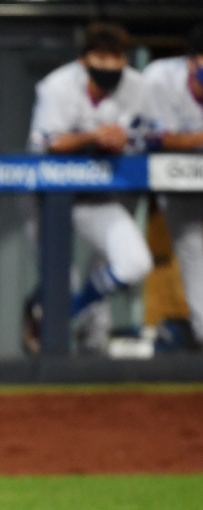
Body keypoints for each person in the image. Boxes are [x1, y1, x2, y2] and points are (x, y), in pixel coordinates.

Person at [27, 21, 158, 353]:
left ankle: (70, 312)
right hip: (48, 195)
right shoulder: (56, 86)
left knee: (135, 262)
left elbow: (150, 136)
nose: (109, 66)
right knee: (61, 282)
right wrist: (92, 136)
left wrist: (125, 140)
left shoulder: (138, 86)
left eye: (116, 58)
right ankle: (53, 330)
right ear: (84, 60)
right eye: (101, 58)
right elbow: (47, 142)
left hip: (95, 194)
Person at [144, 23, 203, 347]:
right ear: (191, 61)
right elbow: (156, 139)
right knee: (193, 249)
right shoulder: (160, 78)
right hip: (172, 178)